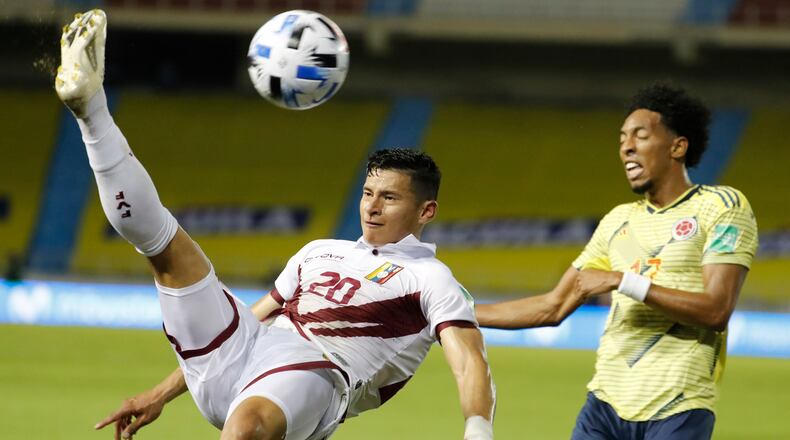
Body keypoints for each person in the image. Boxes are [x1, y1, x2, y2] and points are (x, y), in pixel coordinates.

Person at [56, 10, 495, 440]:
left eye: (390, 197)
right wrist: (159, 394)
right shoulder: (318, 251)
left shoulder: (430, 278)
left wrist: (478, 429)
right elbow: (256, 317)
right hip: (241, 350)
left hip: (319, 371)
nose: (372, 207)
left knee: (246, 428)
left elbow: (468, 359)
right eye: (367, 193)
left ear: (426, 212)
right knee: (163, 247)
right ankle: (91, 107)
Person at [476, 82, 758, 439]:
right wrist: (457, 311)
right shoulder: (617, 220)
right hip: (604, 406)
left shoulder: (721, 206)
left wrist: (624, 281)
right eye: (622, 138)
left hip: (677, 407)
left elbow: (716, 311)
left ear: (678, 146)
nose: (626, 146)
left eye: (640, 135)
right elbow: (552, 306)